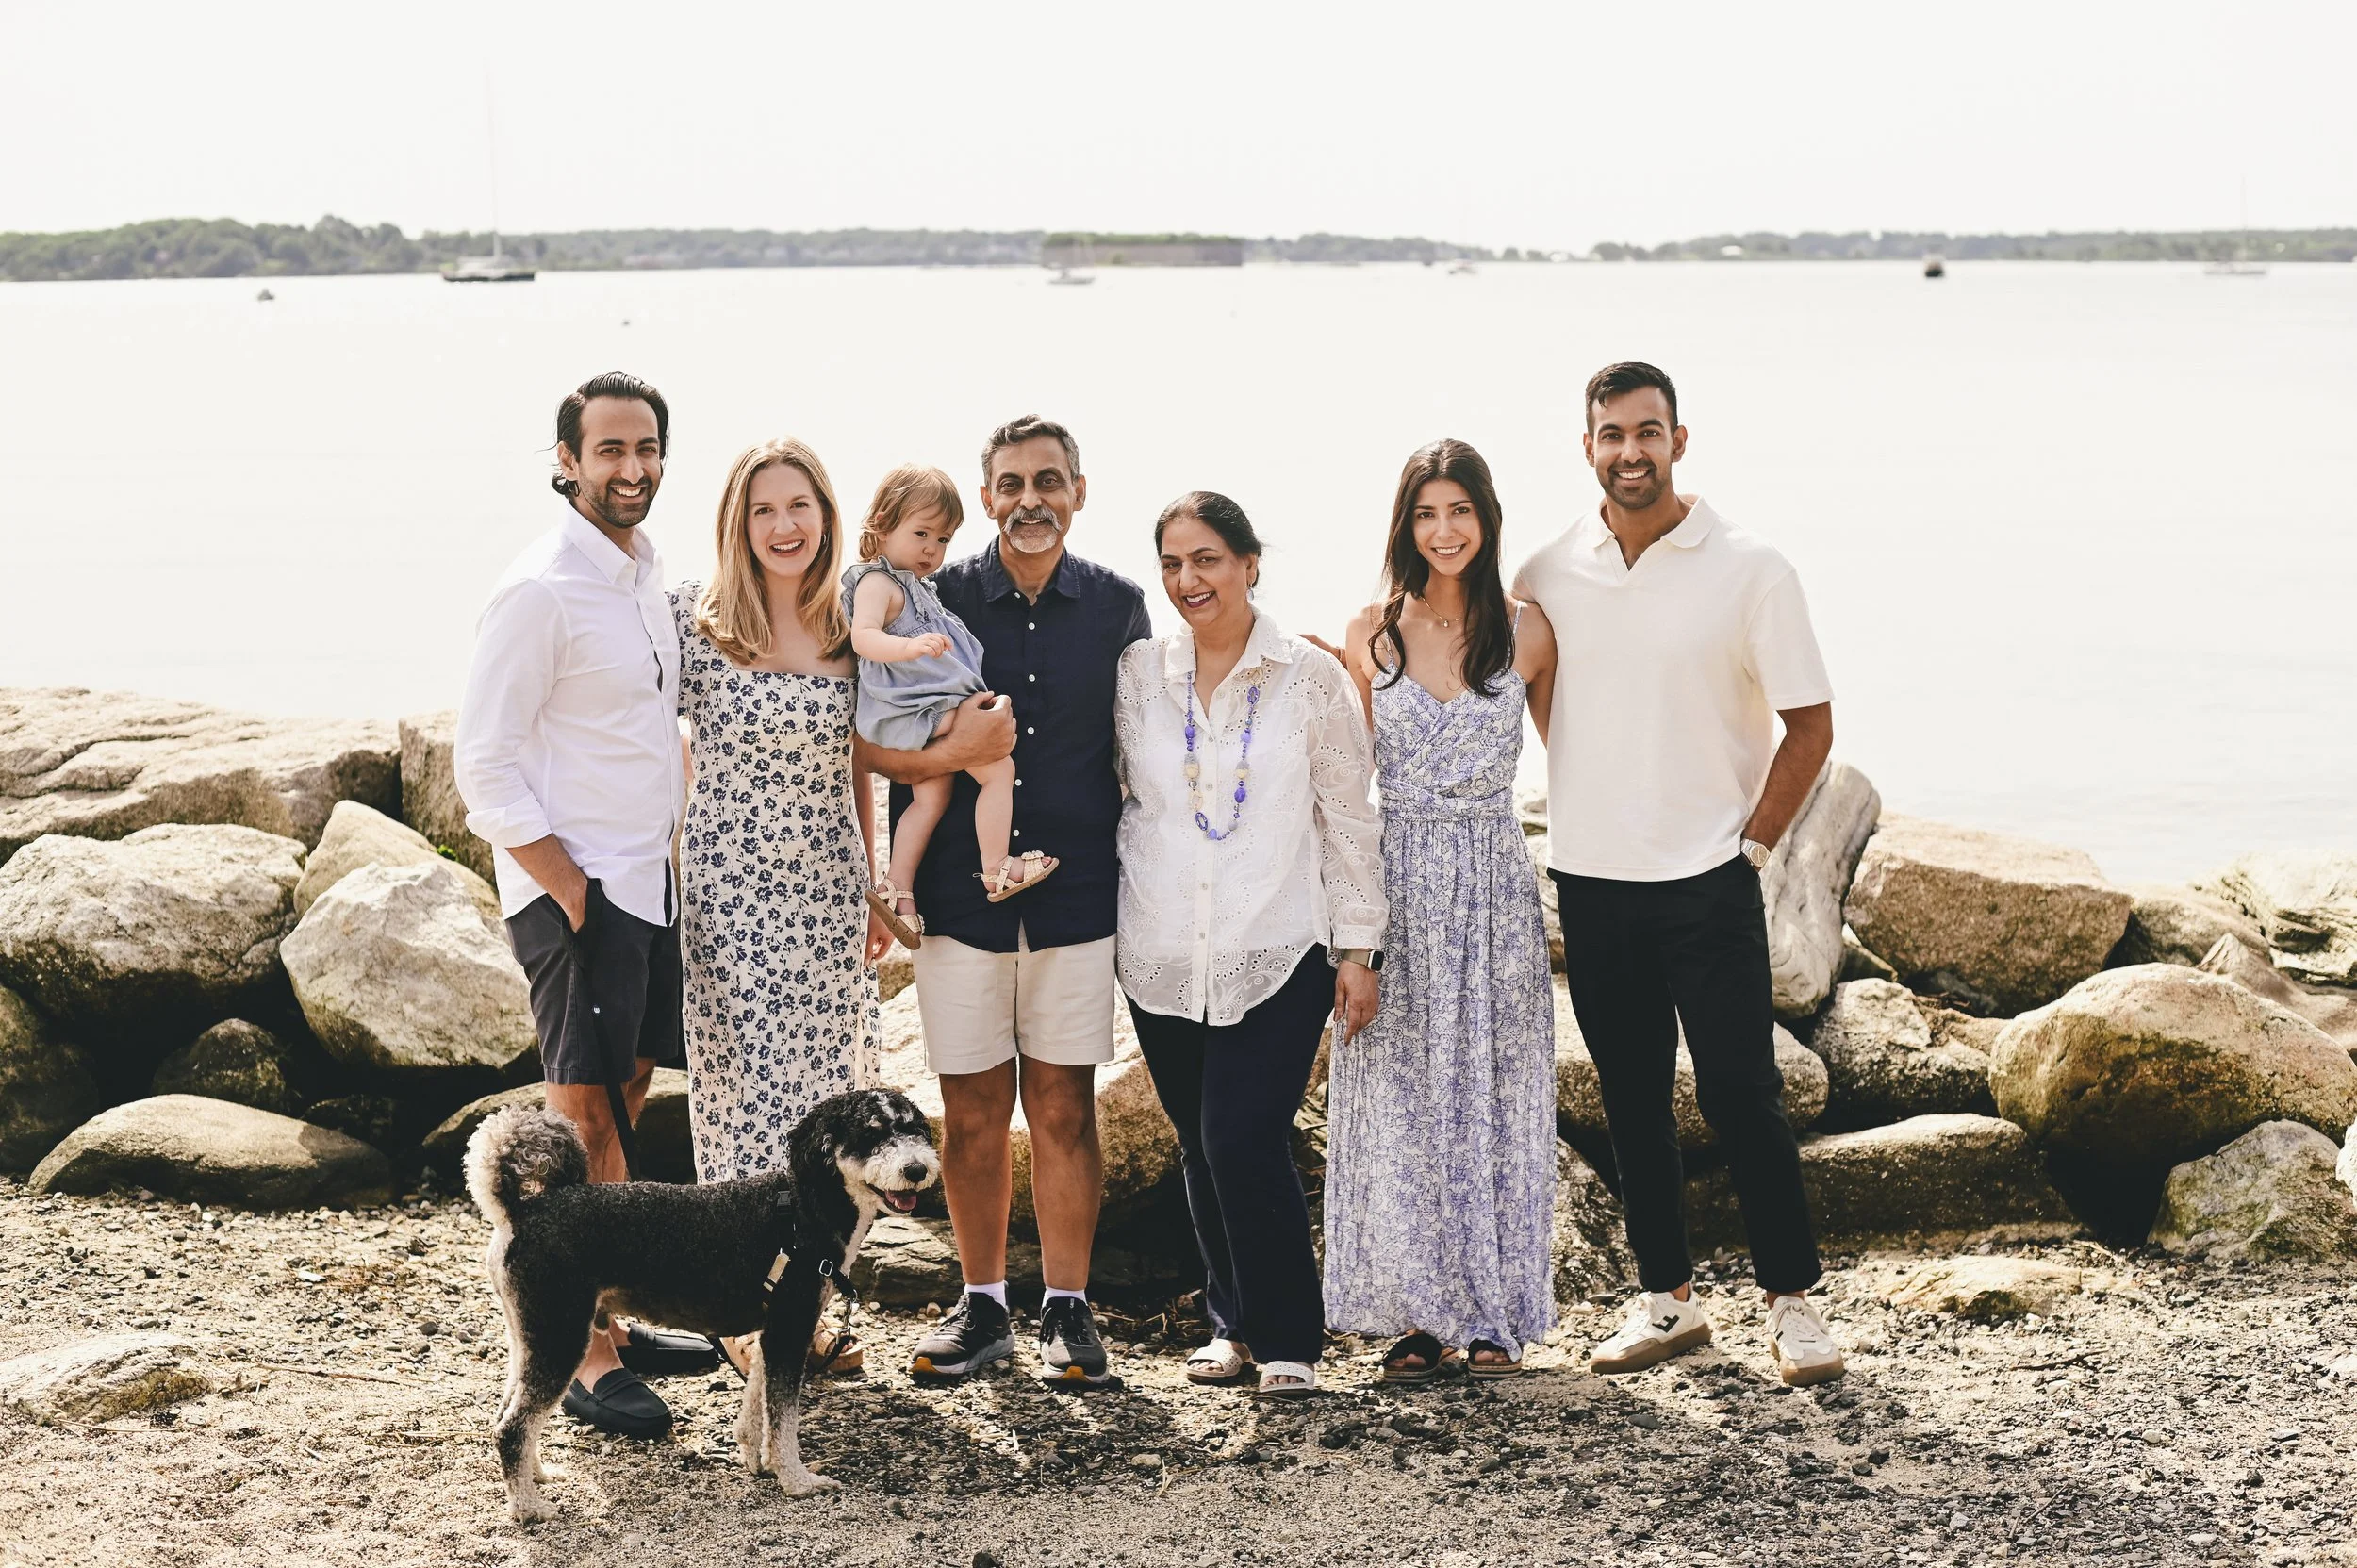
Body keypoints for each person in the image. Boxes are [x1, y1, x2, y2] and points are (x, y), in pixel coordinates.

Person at [1512, 361, 1846, 1387]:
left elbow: (1812, 724)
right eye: (1610, 435)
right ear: (1586, 448)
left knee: (1745, 1094)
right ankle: (1666, 1298)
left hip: (1708, 875)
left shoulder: (1750, 567)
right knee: (1629, 1097)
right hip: (1593, 877)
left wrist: (1749, 843)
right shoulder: (1545, 569)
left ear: (1678, 440)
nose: (1629, 452)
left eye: (1646, 432)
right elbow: (1538, 690)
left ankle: (1793, 1306)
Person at [859, 416, 1150, 1387]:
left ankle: (1068, 1309)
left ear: (1077, 491)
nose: (1031, 500)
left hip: (1075, 899)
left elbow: (1145, 750)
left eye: (1049, 482)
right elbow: (873, 738)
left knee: (1064, 1108)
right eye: (1012, 484)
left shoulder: (1117, 606)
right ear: (986, 496)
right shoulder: (925, 592)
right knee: (971, 1113)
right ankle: (981, 1304)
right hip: (955, 903)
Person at [454, 371, 719, 1441]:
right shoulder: (540, 588)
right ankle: (579, 1353)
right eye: (609, 451)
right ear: (565, 460)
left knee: (626, 1101)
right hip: (578, 891)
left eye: (647, 448)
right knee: (578, 1121)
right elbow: (484, 761)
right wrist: (567, 887)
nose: (632, 469)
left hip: (643, 881)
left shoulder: (642, 574)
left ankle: (610, 1302)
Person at [1115, 491, 1385, 1399]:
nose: (1189, 581)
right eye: (1174, 564)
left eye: (1208, 560)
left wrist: (1359, 948)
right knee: (1198, 1142)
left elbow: (1349, 816)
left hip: (1279, 942)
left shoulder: (1310, 675)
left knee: (1243, 1137)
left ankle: (1289, 1340)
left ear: (1249, 564)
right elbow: (1120, 793)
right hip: (1160, 945)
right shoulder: (1139, 674)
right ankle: (1233, 1324)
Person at [1314, 439, 1558, 1382]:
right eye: (1426, 513)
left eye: (1460, 511)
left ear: (1486, 519)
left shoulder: (1526, 630)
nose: (1444, 530)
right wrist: (1354, 942)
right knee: (1400, 1099)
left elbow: (1580, 756)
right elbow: (1345, 795)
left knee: (1494, 1095)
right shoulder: (1370, 631)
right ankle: (1416, 1317)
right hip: (1402, 879)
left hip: (1497, 882)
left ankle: (1494, 1312)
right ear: (1404, 524)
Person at [669, 437, 892, 1375]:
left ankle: (803, 1303)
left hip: (827, 890)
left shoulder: (852, 623)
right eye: (764, 509)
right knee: (743, 1098)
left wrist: (878, 887)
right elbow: (635, 731)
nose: (784, 525)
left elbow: (862, 763)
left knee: (823, 1104)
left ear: (826, 516)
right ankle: (738, 1314)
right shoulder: (693, 619)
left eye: (799, 505)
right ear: (738, 523)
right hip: (726, 890)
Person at [844, 463, 1057, 949]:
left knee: (932, 797)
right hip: (919, 705)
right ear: (881, 523)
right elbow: (865, 637)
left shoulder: (919, 589)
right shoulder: (879, 583)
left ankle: (897, 888)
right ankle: (996, 866)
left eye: (942, 540)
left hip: (923, 706)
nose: (931, 550)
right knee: (998, 770)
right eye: (920, 533)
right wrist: (910, 649)